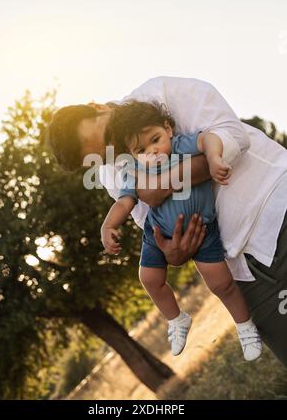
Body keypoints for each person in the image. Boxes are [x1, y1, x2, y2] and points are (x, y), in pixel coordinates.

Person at [47, 76, 287, 366]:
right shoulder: (112, 175)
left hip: (275, 210)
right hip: (241, 273)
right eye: (103, 155)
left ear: (96, 106)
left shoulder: (162, 93)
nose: (114, 150)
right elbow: (154, 220)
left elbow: (234, 136)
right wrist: (172, 252)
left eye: (108, 136)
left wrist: (165, 182)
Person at [101, 101, 262, 358]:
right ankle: (177, 319)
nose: (152, 151)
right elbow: (124, 201)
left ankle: (245, 327)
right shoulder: (135, 171)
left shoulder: (180, 147)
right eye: (141, 149)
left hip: (203, 228)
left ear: (168, 129)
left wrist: (213, 158)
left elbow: (208, 138)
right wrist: (109, 225)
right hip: (158, 233)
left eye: (155, 140)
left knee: (222, 284)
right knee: (150, 279)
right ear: (131, 154)